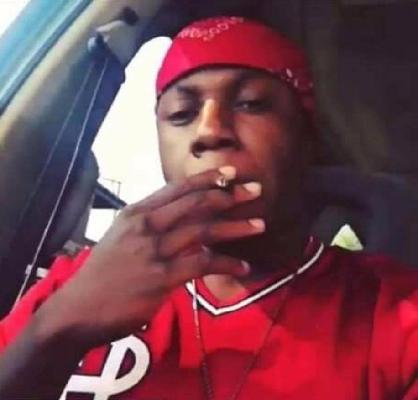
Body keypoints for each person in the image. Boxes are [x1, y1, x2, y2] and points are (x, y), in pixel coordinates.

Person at [0, 16, 418, 400]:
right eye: (181, 114)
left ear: (307, 138)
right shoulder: (80, 283)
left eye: (251, 103)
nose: (210, 131)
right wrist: (58, 328)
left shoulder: (394, 310)